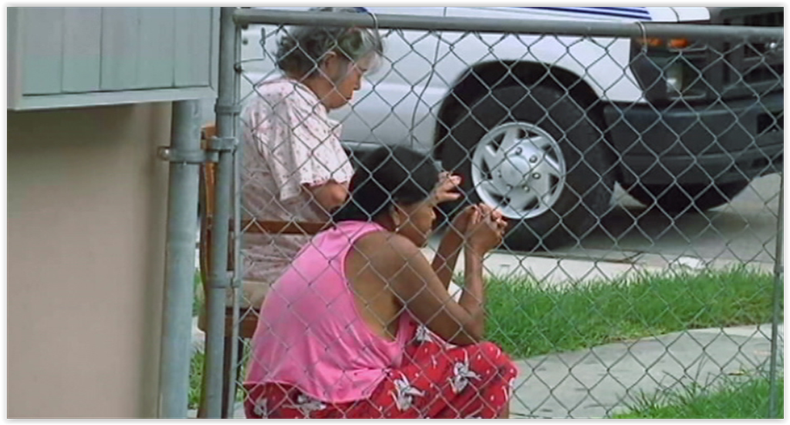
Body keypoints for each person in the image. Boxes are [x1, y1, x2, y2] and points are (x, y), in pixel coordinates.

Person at [243, 145, 519, 419]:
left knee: (424, 340)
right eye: (429, 206)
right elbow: (467, 330)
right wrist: (475, 252)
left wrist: (453, 241)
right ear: (397, 209)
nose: (434, 217)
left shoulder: (332, 238)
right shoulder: (389, 248)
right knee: (489, 363)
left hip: (272, 403)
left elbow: (429, 312)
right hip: (331, 406)